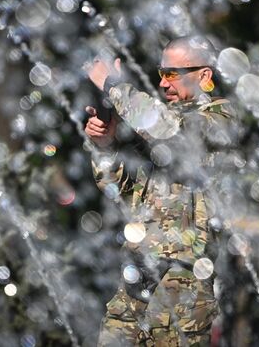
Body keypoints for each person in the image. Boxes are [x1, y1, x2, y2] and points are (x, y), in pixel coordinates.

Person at [85, 35, 239, 346]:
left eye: (172, 74)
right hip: (139, 274)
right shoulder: (159, 133)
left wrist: (112, 84)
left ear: (204, 75)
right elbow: (119, 189)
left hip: (183, 283)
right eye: (161, 74)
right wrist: (105, 147)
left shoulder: (221, 118)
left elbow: (168, 127)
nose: (164, 84)